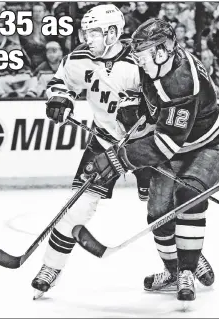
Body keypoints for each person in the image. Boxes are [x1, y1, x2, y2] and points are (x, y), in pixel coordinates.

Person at [83, 18, 217, 302]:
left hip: (209, 145)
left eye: (143, 56)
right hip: (177, 143)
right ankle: (174, 270)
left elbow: (163, 145)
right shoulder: (157, 63)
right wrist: (134, 106)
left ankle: (187, 271)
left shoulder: (182, 82)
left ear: (162, 50)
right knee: (158, 212)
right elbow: (151, 101)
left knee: (189, 194)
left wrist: (118, 159)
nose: (139, 62)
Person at [32, 4, 155, 299]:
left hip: (147, 146)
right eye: (85, 32)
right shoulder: (79, 59)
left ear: (113, 33)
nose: (87, 38)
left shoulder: (141, 60)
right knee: (78, 206)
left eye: (94, 32)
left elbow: (167, 98)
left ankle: (183, 262)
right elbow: (58, 82)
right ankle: (51, 267)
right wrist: (59, 99)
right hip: (104, 142)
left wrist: (141, 110)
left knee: (160, 207)